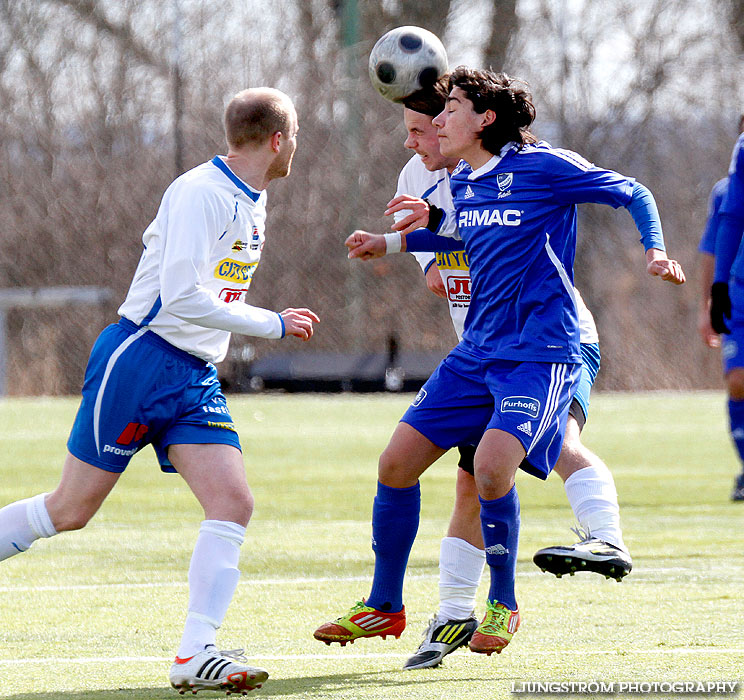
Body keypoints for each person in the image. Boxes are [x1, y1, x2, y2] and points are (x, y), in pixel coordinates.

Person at [315, 67, 684, 658]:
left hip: (541, 351)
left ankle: (503, 602)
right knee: (395, 464)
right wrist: (385, 242)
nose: (435, 123)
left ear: (486, 119)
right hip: (477, 351)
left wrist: (655, 251)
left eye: (450, 109)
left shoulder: (543, 168)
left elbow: (633, 191)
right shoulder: (463, 181)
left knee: (489, 470)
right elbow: (464, 239)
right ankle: (385, 605)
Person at [0, 88, 319, 695]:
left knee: (233, 502)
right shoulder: (200, 193)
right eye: (296, 133)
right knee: (70, 512)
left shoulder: (253, 200)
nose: (296, 145)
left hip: (193, 377)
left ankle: (195, 652)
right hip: (140, 360)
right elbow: (179, 297)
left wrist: (251, 324)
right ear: (278, 139)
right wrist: (272, 322)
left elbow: (211, 299)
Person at [385, 79, 632, 671]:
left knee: (557, 445)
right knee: (472, 476)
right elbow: (439, 273)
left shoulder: (514, 165)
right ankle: (452, 612)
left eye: (425, 128)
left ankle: (606, 540)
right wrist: (419, 236)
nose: (417, 143)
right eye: (413, 133)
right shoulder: (422, 183)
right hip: (484, 353)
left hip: (551, 344)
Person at [700, 115, 744, 501]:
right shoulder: (738, 163)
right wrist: (713, 293)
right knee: (738, 380)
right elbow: (726, 226)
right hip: (740, 291)